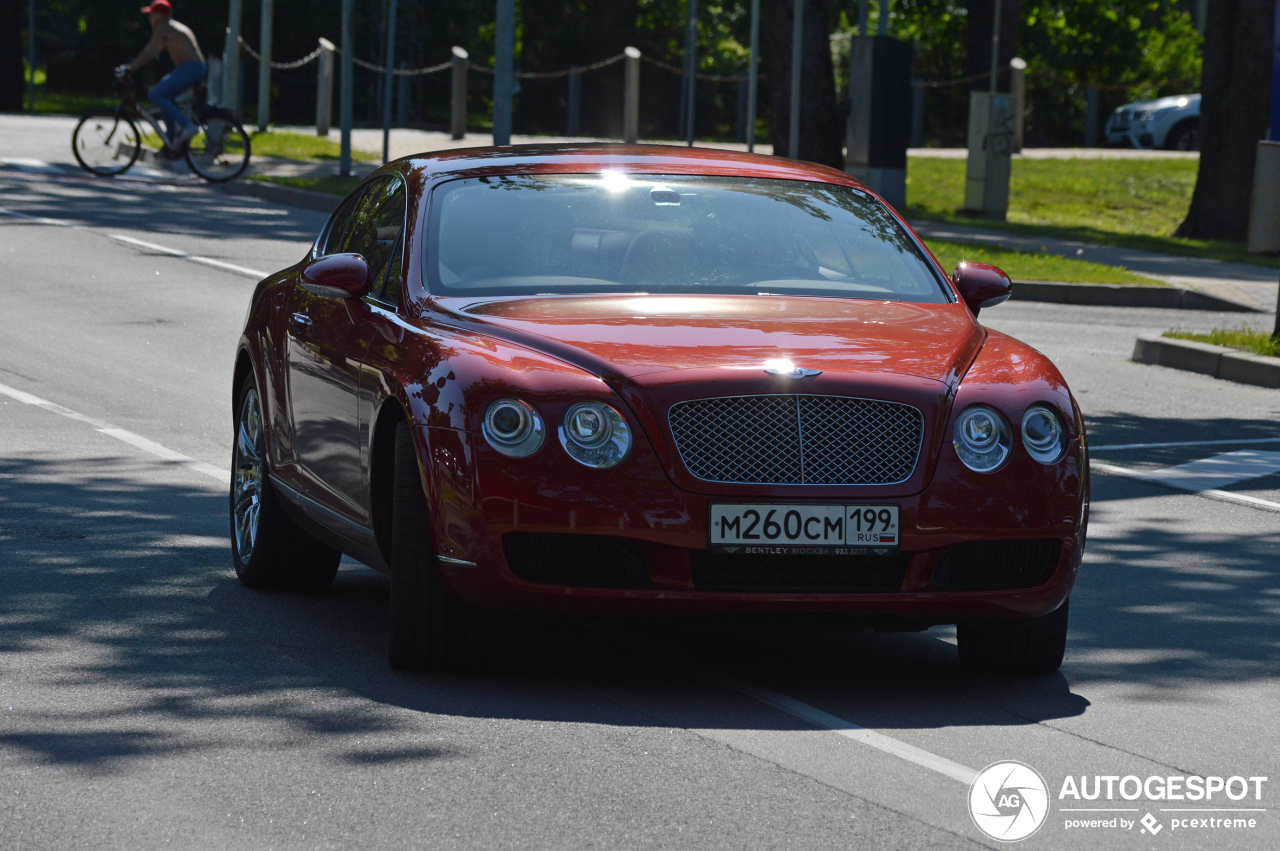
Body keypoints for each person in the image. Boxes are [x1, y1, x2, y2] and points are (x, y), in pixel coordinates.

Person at [121, 1, 206, 149]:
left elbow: (149, 52)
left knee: (155, 95)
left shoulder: (164, 29)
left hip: (190, 68)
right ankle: (171, 141)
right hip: (193, 68)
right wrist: (134, 66)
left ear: (160, 15)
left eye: (151, 14)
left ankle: (188, 126)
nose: (149, 18)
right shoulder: (174, 27)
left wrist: (130, 69)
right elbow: (154, 52)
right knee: (165, 97)